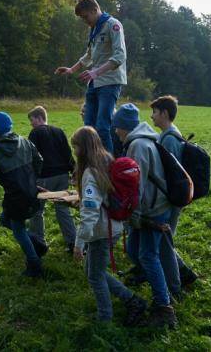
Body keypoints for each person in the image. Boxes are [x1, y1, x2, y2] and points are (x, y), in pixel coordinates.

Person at [71, 126, 147, 325]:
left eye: (76, 147)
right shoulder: (107, 160)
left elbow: (89, 213)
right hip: (114, 225)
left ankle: (106, 318)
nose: (75, 151)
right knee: (94, 272)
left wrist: (79, 243)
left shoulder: (90, 171)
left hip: (101, 231)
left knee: (95, 277)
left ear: (83, 147)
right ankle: (132, 300)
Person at [113, 103, 177, 328]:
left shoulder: (138, 145)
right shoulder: (141, 140)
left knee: (149, 255)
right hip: (149, 207)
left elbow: (135, 186)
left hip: (153, 209)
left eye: (117, 127)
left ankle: (164, 306)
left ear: (123, 126)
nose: (115, 132)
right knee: (133, 251)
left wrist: (133, 215)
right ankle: (162, 287)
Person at [55, 0, 126, 154]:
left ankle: (108, 165)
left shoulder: (113, 25)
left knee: (102, 127)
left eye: (85, 17)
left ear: (95, 10)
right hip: (94, 83)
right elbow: (89, 55)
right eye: (82, 18)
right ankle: (90, 163)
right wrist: (72, 69)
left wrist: (96, 72)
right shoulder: (94, 29)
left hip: (110, 82)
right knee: (88, 128)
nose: (85, 21)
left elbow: (120, 56)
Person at [150, 95, 198, 289]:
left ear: (165, 113)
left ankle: (182, 276)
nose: (152, 116)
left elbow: (168, 173)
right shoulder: (169, 134)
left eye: (154, 112)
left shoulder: (169, 139)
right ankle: (179, 275)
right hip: (174, 197)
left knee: (164, 242)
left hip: (170, 199)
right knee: (163, 241)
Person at [0, 112, 44, 278]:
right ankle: (36, 242)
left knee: (18, 229)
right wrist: (31, 180)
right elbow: (39, 161)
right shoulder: (25, 141)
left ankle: (34, 264)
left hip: (14, 195)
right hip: (31, 191)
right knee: (5, 220)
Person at [28, 106, 76, 253]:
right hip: (62, 175)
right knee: (62, 209)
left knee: (37, 211)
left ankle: (39, 243)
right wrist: (73, 169)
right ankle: (73, 242)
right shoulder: (59, 131)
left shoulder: (35, 133)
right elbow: (67, 152)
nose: (31, 124)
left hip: (44, 177)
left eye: (32, 121)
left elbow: (32, 157)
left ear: (39, 117)